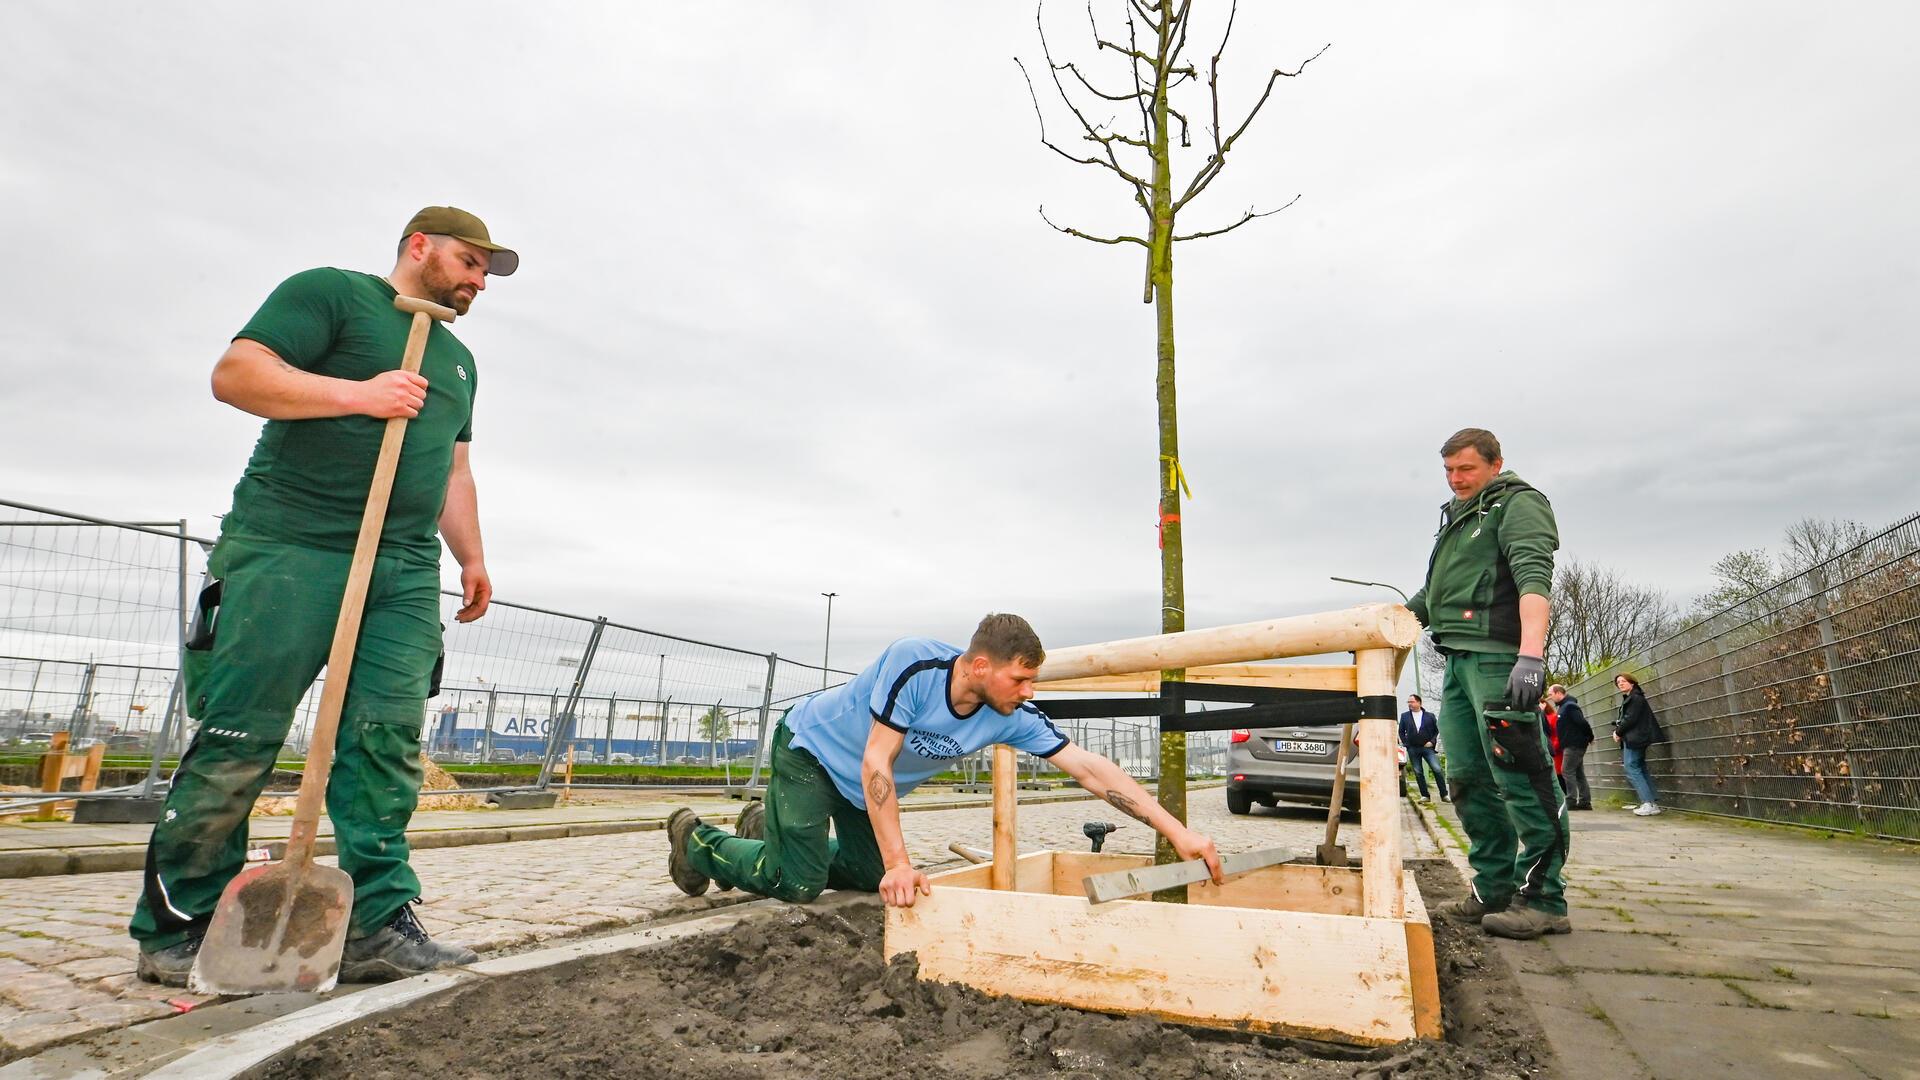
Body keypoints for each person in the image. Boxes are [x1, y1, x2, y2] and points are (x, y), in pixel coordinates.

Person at [129, 207, 517, 987]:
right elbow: (236, 377)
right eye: (470, 263)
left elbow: (453, 467)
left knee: (386, 740)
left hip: (403, 566)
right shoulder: (330, 295)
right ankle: (180, 924)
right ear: (420, 247)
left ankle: (377, 919)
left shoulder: (459, 361)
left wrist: (470, 556)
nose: (479, 282)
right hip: (290, 545)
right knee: (241, 734)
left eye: (485, 272)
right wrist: (360, 394)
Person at [665, 613, 1224, 907]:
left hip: (863, 789)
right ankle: (696, 841)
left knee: (866, 875)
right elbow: (877, 761)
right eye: (1021, 677)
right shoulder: (915, 664)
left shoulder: (1010, 715)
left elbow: (1089, 768)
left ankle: (774, 830)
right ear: (980, 666)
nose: (1029, 690)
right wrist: (901, 861)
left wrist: (1180, 832)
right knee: (800, 883)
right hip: (812, 753)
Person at [1406, 428, 1570, 941]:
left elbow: (1533, 579)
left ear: (1496, 464)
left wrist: (1530, 656)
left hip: (1499, 660)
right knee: (1469, 779)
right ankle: (1493, 888)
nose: (1456, 480)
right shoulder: (1459, 519)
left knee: (1519, 774)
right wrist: (1386, 623)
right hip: (1455, 662)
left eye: (1467, 470)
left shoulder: (1516, 506)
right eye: (1450, 471)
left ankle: (1544, 898)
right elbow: (1433, 596)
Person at [1614, 673, 1664, 815]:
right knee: (1640, 767)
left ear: (1632, 683)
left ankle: (1647, 802)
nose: (1620, 684)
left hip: (1635, 739)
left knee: (1632, 767)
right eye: (1618, 682)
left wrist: (1618, 732)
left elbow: (1630, 719)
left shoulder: (1635, 698)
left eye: (1623, 681)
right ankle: (1652, 803)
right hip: (1637, 738)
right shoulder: (1634, 697)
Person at [1550, 684, 1594, 810]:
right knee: (1578, 772)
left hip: (1573, 744)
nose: (1550, 697)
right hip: (1571, 743)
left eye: (1551, 694)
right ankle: (1585, 801)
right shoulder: (1564, 707)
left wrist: (1589, 736)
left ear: (1558, 693)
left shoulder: (1569, 707)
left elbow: (1582, 723)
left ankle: (1571, 800)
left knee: (1566, 770)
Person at [1398, 694, 1449, 803]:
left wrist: (1432, 742)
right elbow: (1401, 732)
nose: (1409, 704)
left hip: (1427, 748)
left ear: (1419, 703)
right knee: (1418, 772)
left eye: (1411, 702)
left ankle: (1444, 794)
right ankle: (1425, 795)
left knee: (1437, 769)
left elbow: (1437, 730)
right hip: (1413, 749)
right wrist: (1406, 744)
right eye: (1408, 702)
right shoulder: (1405, 716)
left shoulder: (1430, 716)